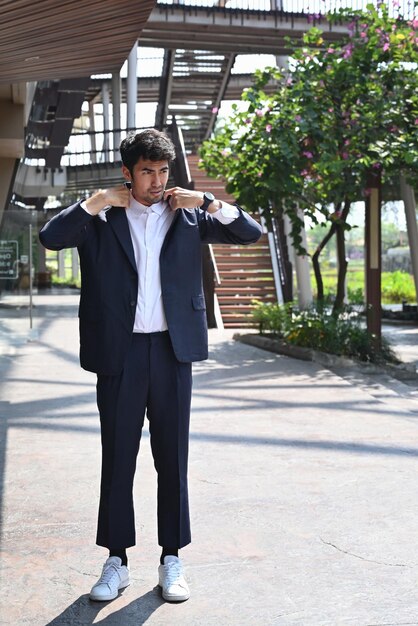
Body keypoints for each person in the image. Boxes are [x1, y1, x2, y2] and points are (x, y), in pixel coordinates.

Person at [39, 129, 262, 603]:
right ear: (128, 172)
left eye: (163, 171)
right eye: (147, 171)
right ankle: (116, 560)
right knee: (118, 458)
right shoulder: (102, 217)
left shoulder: (188, 217)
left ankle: (171, 558)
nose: (157, 181)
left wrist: (207, 200)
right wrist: (95, 201)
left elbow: (250, 232)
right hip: (118, 354)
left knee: (172, 461)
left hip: (170, 352)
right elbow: (50, 237)